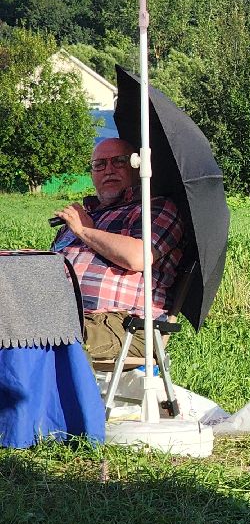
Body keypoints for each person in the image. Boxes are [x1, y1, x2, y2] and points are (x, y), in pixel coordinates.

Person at [51, 138, 186, 359]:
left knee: (42, 343)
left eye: (119, 161)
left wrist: (85, 231)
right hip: (59, 316)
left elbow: (138, 256)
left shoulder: (154, 208)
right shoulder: (82, 217)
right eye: (100, 164)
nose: (109, 170)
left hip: (122, 324)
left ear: (137, 167)